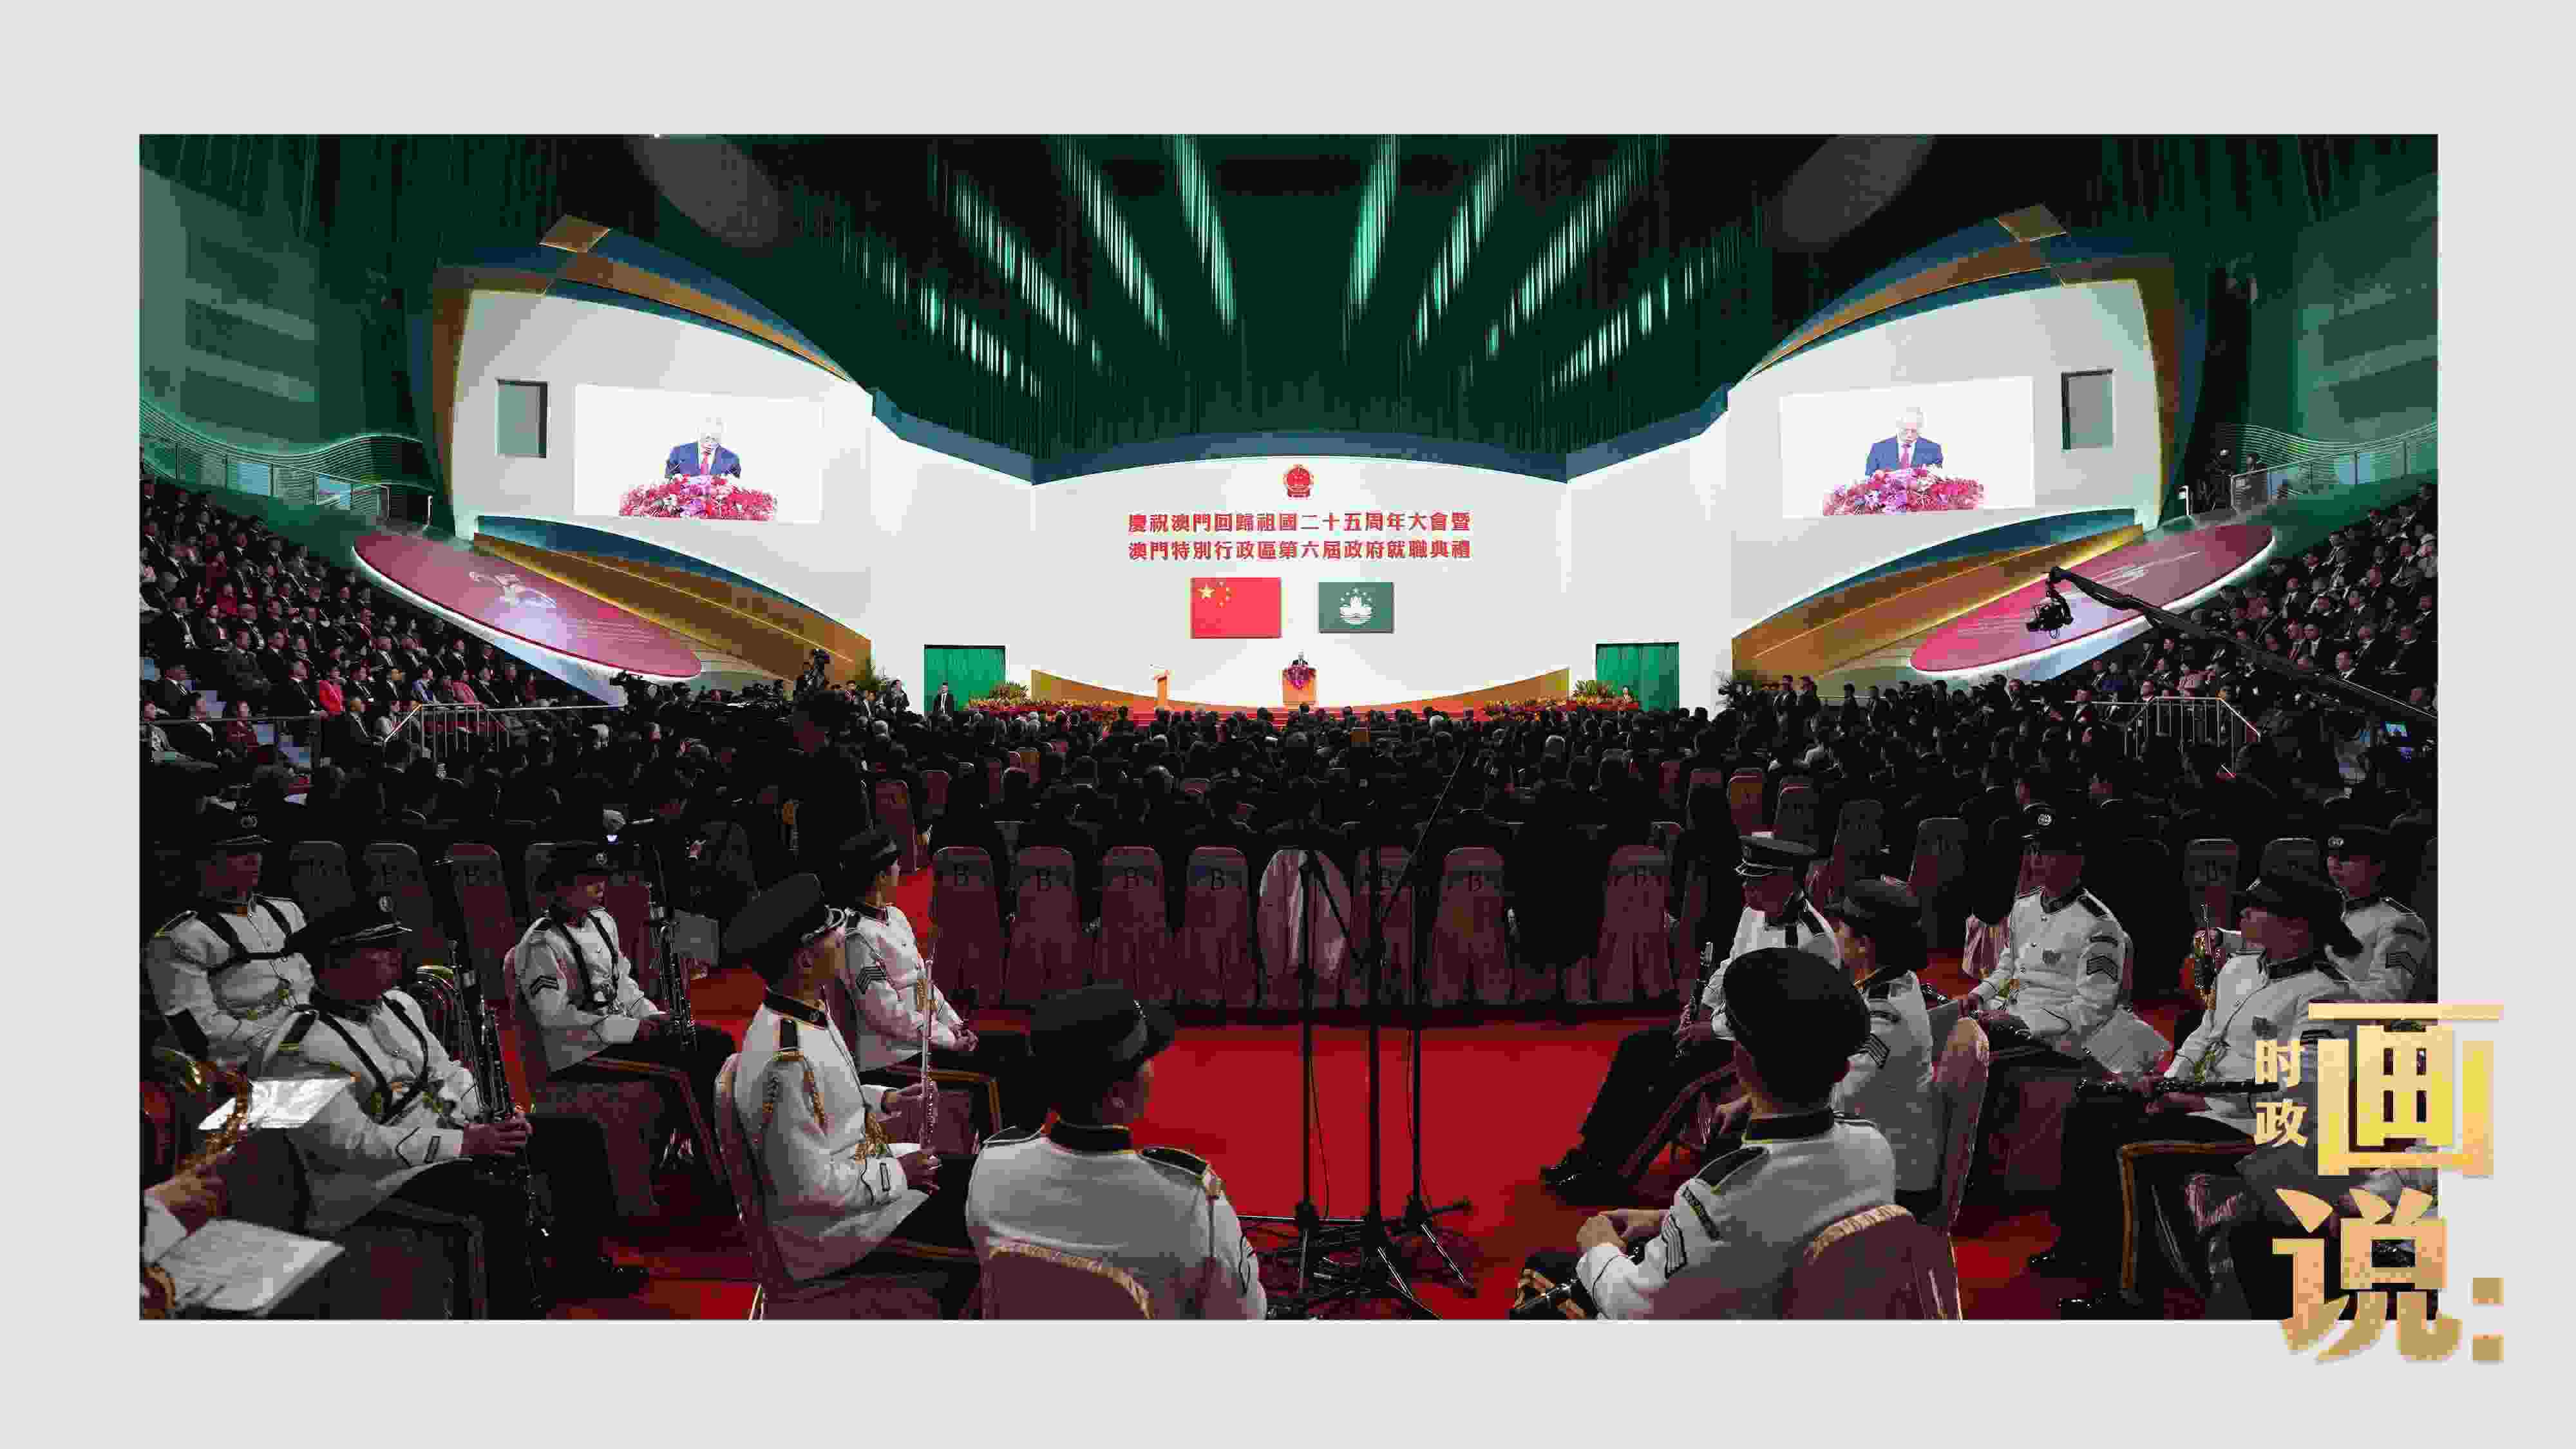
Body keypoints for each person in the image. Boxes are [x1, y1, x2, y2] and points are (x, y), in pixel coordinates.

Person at [258, 898, 644, 1316]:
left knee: (576, 1137)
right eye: (380, 949)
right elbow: (350, 1146)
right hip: (369, 1183)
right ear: (335, 962)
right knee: (496, 1198)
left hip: (445, 1139)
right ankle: (511, 1309)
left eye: (394, 945)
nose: (396, 956)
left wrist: (490, 1113)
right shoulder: (296, 1049)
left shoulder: (399, 1006)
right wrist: (464, 1143)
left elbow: (445, 1074)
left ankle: (580, 1265)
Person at [1519, 947, 1897, 1319]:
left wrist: (1598, 1248)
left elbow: (1636, 1309)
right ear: (1840, 1071)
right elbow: (1785, 1223)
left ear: (1742, 1061)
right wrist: (1666, 1219)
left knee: (1540, 1273)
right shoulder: (1874, 1148)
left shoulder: (1720, 1196)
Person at [2045, 871, 2359, 1317]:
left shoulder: (2330, 997)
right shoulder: (2241, 968)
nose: (2244, 913)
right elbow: (2203, 1036)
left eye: (2259, 908)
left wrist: (2202, 1100)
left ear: (2297, 926)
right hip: (2202, 1101)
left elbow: (2299, 1093)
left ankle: (2133, 1296)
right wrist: (2166, 1083)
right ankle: (2081, 1246)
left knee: (2132, 1150)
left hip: (2255, 1127)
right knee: (2090, 1110)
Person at [723, 874, 975, 1312]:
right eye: (829, 931)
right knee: (978, 1224)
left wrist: (886, 1099)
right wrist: (899, 1174)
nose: (842, 936)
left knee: (976, 1177)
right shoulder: (785, 1061)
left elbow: (827, 1098)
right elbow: (807, 1189)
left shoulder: (803, 1011)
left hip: (860, 1181)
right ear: (805, 958)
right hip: (833, 1233)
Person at [1539, 833, 1836, 1202]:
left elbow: (1781, 1017)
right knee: (1635, 1050)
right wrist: (1701, 1008)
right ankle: (1589, 1154)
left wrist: (1713, 1030)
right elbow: (1730, 966)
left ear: (1785, 881)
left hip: (1766, 1047)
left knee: (1681, 1081)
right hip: (1726, 1026)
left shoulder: (1812, 939)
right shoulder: (1753, 913)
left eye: (1754, 879)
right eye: (1745, 877)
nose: (1744, 886)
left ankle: (1615, 1176)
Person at [964, 983, 1265, 1319]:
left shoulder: (991, 1166)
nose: (1152, 1068)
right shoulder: (1191, 1199)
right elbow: (1245, 1316)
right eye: (1145, 1059)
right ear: (1119, 1094)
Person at [515, 844, 736, 1145]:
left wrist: (654, 1017)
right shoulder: (540, 943)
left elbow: (622, 983)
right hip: (581, 1051)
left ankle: (712, 1140)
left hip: (619, 1034)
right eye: (589, 880)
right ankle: (707, 1151)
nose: (600, 887)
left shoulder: (603, 922)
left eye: (601, 878)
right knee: (690, 1059)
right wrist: (632, 1029)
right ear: (561, 887)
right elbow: (554, 1017)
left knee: (716, 1041)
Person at [833, 828, 1037, 1135]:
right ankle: (1000, 1144)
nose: (900, 871)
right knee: (997, 1068)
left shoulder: (895, 917)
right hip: (895, 1056)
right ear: (881, 875)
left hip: (924, 1041)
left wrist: (956, 1025)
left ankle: (1023, 1136)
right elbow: (887, 1017)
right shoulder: (857, 938)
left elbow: (923, 983)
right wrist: (949, 1040)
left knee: (1017, 1047)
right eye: (895, 866)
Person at [144, 810, 313, 1068]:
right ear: (204, 861)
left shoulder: (287, 912)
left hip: (309, 1042)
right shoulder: (178, 938)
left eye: (257, 850)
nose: (254, 860)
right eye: (237, 853)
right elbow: (197, 1028)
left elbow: (309, 984)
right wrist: (282, 1042)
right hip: (241, 1063)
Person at [2324, 826, 2430, 1003]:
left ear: (2378, 866)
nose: (2335, 864)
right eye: (2331, 856)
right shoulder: (2324, 912)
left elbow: (2387, 996)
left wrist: (2318, 1000)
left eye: (2347, 858)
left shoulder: (2401, 923)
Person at [1864, 407, 1944, 477]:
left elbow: (1938, 479)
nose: (1909, 435)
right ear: (1898, 427)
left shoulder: (1933, 449)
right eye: (1905, 430)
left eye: (1914, 431)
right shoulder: (1879, 449)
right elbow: (1869, 479)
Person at [666, 419, 741, 481]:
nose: (710, 442)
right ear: (699, 431)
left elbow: (735, 487)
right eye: (707, 438)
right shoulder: (678, 453)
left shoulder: (732, 459)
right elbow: (667, 482)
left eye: (714, 439)